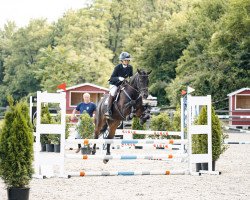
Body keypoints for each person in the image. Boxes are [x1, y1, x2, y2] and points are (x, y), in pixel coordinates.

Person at [104, 52, 133, 118]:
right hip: (115, 84)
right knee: (113, 93)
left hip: (124, 84)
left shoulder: (130, 67)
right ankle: (108, 110)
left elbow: (131, 77)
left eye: (128, 60)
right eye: (125, 60)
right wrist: (119, 78)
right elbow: (112, 78)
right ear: (122, 60)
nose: (127, 61)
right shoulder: (117, 67)